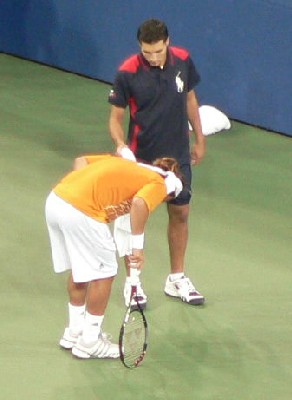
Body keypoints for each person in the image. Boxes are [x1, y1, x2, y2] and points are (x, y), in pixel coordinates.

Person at [108, 18, 206, 309]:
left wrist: (199, 138)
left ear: (167, 43)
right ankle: (133, 283)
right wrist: (120, 145)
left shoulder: (183, 61)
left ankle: (176, 278)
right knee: (133, 224)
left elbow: (190, 100)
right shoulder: (127, 71)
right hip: (141, 160)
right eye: (146, 52)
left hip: (177, 157)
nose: (152, 57)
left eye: (157, 51)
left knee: (181, 214)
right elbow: (115, 118)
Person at [45, 153, 183, 359]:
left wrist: (85, 189)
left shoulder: (128, 167)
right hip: (81, 211)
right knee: (105, 272)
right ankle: (89, 342)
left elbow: (80, 161)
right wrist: (137, 248)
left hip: (57, 200)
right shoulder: (160, 183)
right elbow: (139, 204)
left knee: (81, 267)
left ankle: (74, 332)